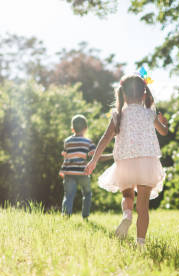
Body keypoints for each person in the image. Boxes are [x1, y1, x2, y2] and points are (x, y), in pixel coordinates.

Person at [85, 73, 169, 248]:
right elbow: (163, 132)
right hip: (148, 162)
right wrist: (164, 123)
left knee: (127, 195)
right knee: (143, 206)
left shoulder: (118, 115)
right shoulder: (150, 113)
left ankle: (127, 216)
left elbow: (105, 139)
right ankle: (140, 244)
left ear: (123, 94)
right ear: (144, 94)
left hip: (125, 163)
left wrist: (93, 160)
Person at [59, 115, 96, 220]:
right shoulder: (88, 142)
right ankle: (85, 216)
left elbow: (66, 157)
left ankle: (66, 215)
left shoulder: (67, 141)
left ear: (72, 128)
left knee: (68, 195)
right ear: (86, 128)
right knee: (87, 193)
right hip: (83, 172)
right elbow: (94, 154)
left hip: (69, 172)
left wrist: (62, 170)